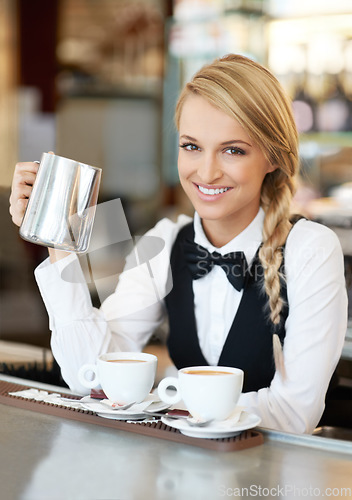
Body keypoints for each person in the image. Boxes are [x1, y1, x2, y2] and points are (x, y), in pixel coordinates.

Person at [9, 54, 347, 434]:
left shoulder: (311, 250)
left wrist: (164, 400)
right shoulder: (164, 242)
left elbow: (293, 414)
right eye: (191, 146)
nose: (205, 172)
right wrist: (59, 241)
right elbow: (91, 379)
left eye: (233, 150)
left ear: (272, 155)